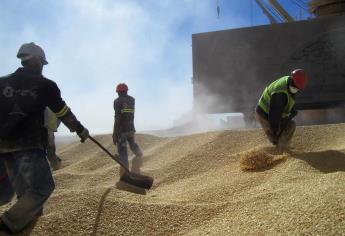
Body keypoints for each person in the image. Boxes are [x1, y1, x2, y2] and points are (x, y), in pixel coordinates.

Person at [0, 42, 89, 234]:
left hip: (4, 148)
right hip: (28, 145)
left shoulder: (2, 82)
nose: (42, 67)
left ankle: (22, 229)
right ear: (37, 61)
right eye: (42, 63)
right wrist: (80, 129)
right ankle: (6, 225)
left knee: (27, 197)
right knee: (43, 187)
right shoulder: (45, 85)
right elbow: (62, 111)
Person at [255, 69, 308, 151]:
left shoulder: (290, 84)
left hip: (273, 114)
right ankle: (279, 152)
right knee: (275, 137)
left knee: (290, 125)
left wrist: (291, 111)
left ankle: (283, 149)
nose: (297, 89)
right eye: (297, 86)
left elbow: (287, 101)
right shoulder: (280, 93)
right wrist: (275, 132)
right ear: (293, 80)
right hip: (265, 115)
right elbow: (273, 116)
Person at [113, 83, 143, 177]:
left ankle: (125, 172)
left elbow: (117, 118)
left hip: (122, 131)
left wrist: (114, 133)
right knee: (132, 143)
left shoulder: (117, 101)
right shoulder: (132, 100)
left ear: (118, 92)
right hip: (131, 129)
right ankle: (139, 154)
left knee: (122, 151)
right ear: (126, 91)